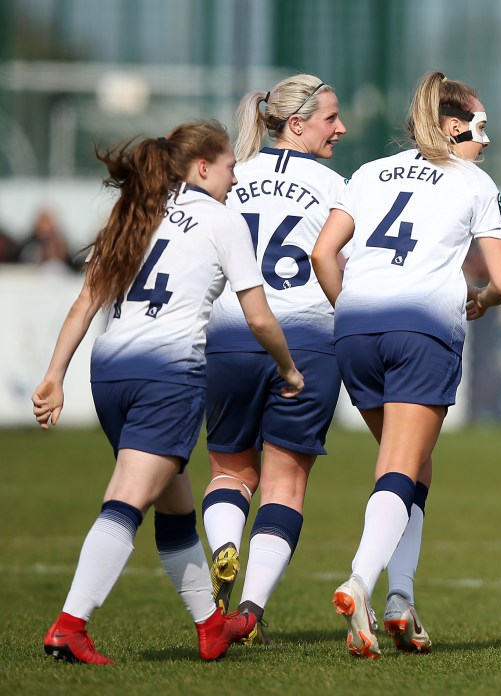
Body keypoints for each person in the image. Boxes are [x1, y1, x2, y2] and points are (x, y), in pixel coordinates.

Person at [31, 120, 304, 665]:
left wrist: (55, 375)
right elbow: (259, 317)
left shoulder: (136, 211)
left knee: (175, 508)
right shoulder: (222, 221)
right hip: (168, 377)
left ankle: (210, 627)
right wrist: (290, 371)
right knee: (127, 500)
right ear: (202, 166)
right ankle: (68, 625)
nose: (234, 177)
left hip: (109, 373)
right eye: (229, 166)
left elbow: (86, 303)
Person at [312, 70, 501, 659]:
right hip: (422, 328)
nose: (486, 139)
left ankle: (402, 601)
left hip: (354, 327)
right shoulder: (474, 181)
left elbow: (325, 252)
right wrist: (480, 300)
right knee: (399, 469)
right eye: (480, 127)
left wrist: (351, 309)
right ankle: (361, 582)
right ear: (452, 128)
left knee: (412, 469)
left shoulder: (369, 172)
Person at [199, 74, 347, 645]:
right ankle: (250, 612)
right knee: (285, 488)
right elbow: (337, 265)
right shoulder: (339, 186)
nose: (341, 128)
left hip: (230, 337)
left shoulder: (231, 178)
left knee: (229, 472)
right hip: (307, 344)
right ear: (297, 123)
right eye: (332, 118)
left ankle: (225, 546)